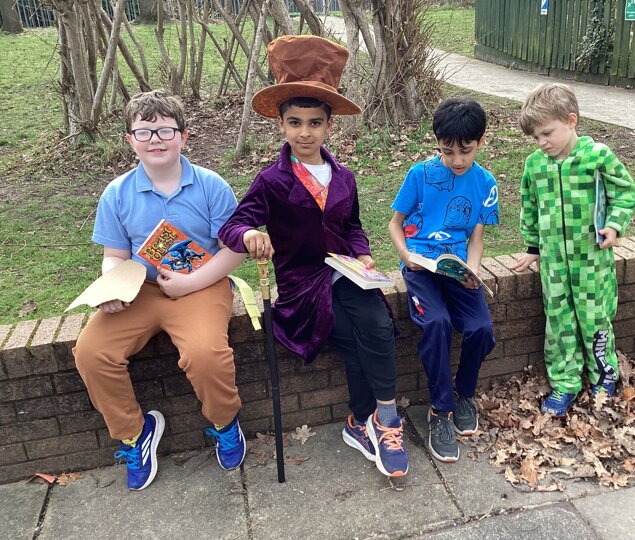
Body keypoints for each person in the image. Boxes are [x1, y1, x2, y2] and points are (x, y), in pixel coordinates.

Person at [218, 35, 409, 478]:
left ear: (329, 126)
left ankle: (385, 419)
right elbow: (231, 226)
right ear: (281, 124)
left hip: (345, 274)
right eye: (295, 122)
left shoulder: (344, 177)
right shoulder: (271, 181)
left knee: (379, 324)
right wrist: (250, 234)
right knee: (354, 337)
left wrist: (363, 254)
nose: (305, 133)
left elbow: (353, 227)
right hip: (303, 287)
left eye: (315, 123)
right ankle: (359, 423)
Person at [73, 91, 262, 490]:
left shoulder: (211, 186)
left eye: (165, 130)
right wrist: (113, 285)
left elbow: (233, 249)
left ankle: (224, 423)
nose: (155, 139)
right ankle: (133, 434)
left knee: (205, 354)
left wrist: (192, 282)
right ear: (130, 140)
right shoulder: (117, 193)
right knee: (91, 352)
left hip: (202, 285)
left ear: (183, 136)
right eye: (144, 131)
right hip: (140, 290)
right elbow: (114, 255)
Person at [511, 83, 635, 416]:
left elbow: (625, 194)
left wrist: (614, 225)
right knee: (559, 323)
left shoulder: (598, 157)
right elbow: (529, 207)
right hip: (553, 264)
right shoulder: (535, 165)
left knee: (595, 320)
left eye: (547, 133)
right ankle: (565, 383)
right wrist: (533, 246)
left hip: (592, 261)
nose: (542, 142)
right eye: (536, 137)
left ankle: (603, 377)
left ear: (571, 120)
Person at [388, 97, 498, 463]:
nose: (456, 160)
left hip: (457, 268)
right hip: (420, 266)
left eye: (465, 151)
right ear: (437, 143)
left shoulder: (485, 183)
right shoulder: (420, 174)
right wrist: (406, 256)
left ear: (481, 141)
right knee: (436, 323)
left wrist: (473, 270)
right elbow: (394, 224)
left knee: (481, 328)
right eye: (447, 151)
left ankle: (464, 393)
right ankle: (440, 410)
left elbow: (476, 239)